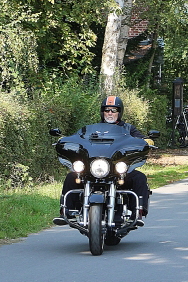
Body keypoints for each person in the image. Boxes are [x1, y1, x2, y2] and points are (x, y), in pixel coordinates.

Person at [53, 95, 151, 226]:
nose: (110, 113)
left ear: (119, 112)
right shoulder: (91, 129)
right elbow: (77, 138)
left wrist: (147, 141)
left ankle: (137, 213)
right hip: (94, 168)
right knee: (71, 177)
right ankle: (66, 212)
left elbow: (140, 139)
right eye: (107, 110)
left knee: (139, 178)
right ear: (102, 112)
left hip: (119, 169)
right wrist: (65, 139)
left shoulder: (128, 129)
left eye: (114, 110)